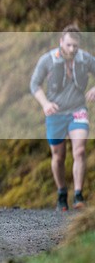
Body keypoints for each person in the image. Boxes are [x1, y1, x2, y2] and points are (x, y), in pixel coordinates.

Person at [30, 24, 95, 211]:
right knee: (58, 156)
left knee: (79, 151)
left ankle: (78, 195)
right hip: (56, 114)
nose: (72, 49)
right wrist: (45, 104)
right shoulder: (48, 60)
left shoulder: (85, 59)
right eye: (68, 45)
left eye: (75, 46)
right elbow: (34, 84)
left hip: (77, 111)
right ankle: (61, 193)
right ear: (61, 42)